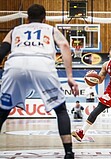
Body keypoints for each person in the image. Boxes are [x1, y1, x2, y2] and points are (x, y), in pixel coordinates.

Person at [0, 4, 79, 159]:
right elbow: (64, 45)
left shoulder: (14, 30)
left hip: (16, 64)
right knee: (61, 110)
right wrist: (69, 76)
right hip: (42, 64)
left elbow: (2, 50)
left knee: (2, 111)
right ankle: (68, 152)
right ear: (45, 18)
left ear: (27, 18)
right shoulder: (50, 29)